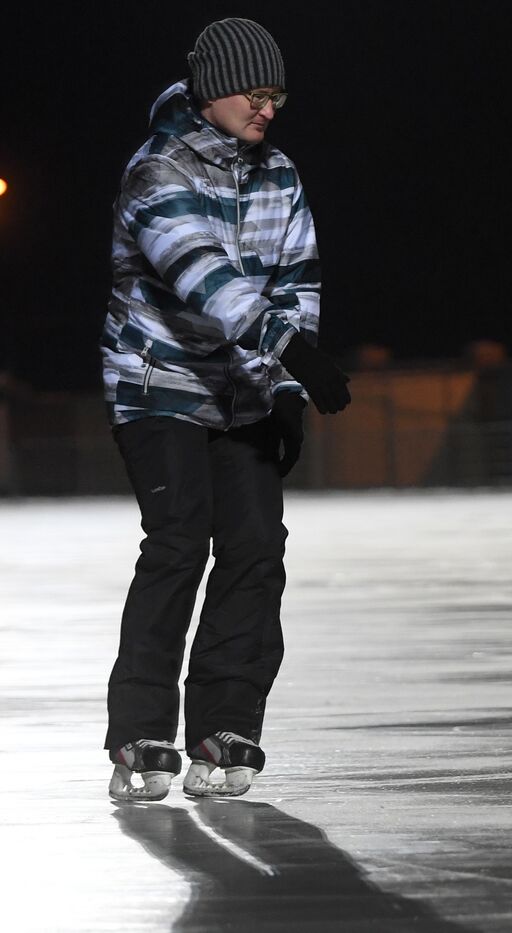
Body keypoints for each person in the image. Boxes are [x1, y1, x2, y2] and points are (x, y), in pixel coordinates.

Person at [101, 18, 351, 801]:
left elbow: (296, 276)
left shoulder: (279, 173)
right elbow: (199, 274)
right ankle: (141, 730)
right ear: (213, 88)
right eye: (255, 92)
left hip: (242, 388)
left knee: (255, 546)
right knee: (179, 542)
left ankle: (225, 722)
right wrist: (295, 355)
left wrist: (281, 389)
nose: (268, 108)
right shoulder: (156, 170)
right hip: (159, 384)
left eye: (277, 95)